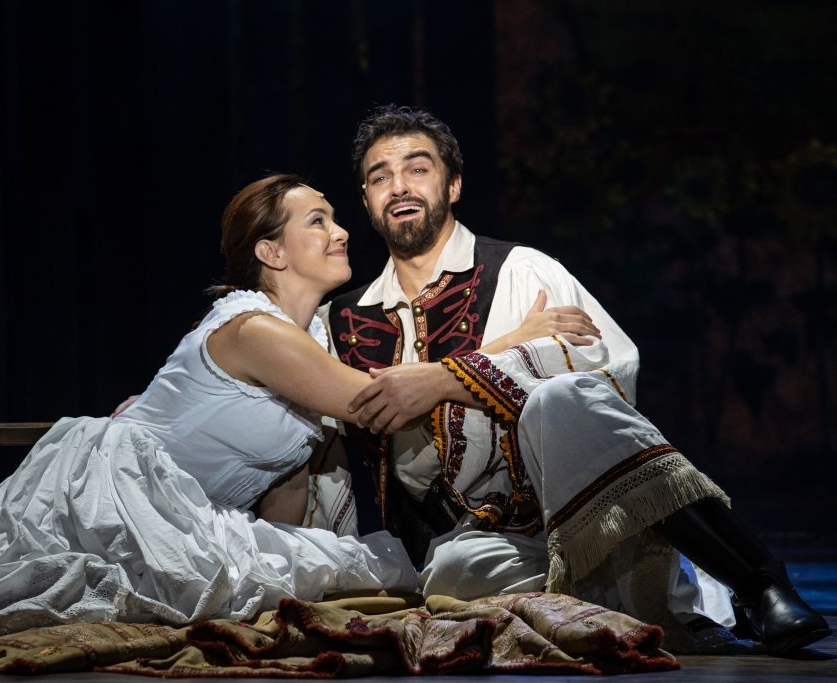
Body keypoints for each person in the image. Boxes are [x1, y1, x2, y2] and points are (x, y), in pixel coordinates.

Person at [322, 104, 830, 654]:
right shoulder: (344, 320)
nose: (399, 186)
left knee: (560, 396)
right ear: (367, 200)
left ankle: (757, 582)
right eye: (380, 177)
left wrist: (445, 379)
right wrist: (512, 347)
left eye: (418, 169)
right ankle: (635, 604)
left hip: (581, 503)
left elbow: (604, 370)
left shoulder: (521, 269)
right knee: (455, 573)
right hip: (480, 546)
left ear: (454, 185)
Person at [0, 175, 419, 637]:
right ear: (272, 252)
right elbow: (371, 401)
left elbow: (286, 478)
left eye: (334, 219)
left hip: (193, 515)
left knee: (340, 567)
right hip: (124, 493)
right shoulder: (256, 330)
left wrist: (279, 569)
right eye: (318, 221)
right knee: (26, 581)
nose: (341, 232)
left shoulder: (312, 338)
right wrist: (465, 373)